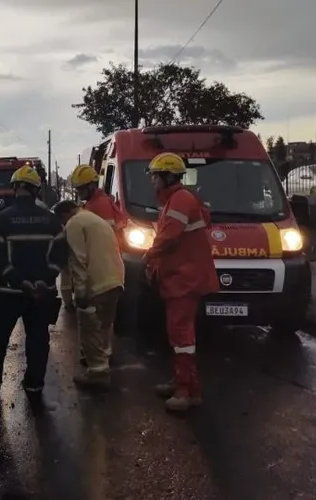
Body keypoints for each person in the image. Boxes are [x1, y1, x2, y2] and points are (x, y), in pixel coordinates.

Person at [0, 164, 69, 396]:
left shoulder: (3, 219)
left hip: (8, 293)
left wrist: (19, 281)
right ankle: (34, 385)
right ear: (36, 190)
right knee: (37, 339)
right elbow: (60, 256)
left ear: (15, 189)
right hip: (42, 293)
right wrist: (44, 280)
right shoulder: (52, 220)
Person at [144, 152, 219, 412]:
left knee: (181, 335)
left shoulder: (179, 200)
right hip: (181, 276)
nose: (152, 181)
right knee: (178, 333)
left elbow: (167, 238)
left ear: (167, 176)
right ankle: (186, 384)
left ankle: (185, 390)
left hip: (185, 278)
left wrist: (149, 257)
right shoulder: (176, 199)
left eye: (155, 176)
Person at [52, 200, 125, 391]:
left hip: (96, 283)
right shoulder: (96, 220)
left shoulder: (74, 224)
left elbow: (78, 258)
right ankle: (103, 359)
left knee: (89, 328)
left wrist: (81, 291)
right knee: (104, 324)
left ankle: (98, 372)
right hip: (115, 280)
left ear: (65, 214)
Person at [60, 164, 128, 311]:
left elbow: (82, 255)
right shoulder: (104, 200)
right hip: (112, 265)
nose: (79, 193)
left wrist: (81, 291)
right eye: (77, 189)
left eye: (81, 189)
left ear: (91, 186)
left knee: (94, 326)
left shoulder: (95, 207)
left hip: (100, 271)